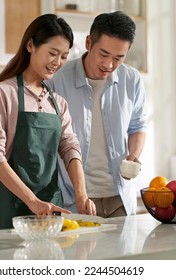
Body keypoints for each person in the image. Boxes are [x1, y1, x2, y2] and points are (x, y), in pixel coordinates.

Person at [0, 14, 96, 230]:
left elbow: (70, 148)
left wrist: (81, 195)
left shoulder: (58, 102)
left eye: (63, 56)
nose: (57, 63)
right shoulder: (3, 93)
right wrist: (32, 202)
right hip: (12, 211)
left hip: (51, 211)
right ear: (31, 45)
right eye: (52, 53)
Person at [45, 11, 147, 218]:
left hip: (120, 197)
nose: (109, 65)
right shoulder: (57, 80)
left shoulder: (131, 79)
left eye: (119, 58)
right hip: (73, 200)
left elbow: (137, 126)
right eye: (103, 54)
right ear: (89, 42)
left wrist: (134, 156)